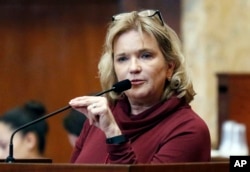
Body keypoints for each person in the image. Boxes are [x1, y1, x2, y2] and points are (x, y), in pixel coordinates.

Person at [69, 9, 211, 164]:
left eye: (145, 56)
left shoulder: (189, 130)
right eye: (122, 58)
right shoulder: (100, 119)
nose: (134, 68)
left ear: (169, 68)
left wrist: (113, 134)